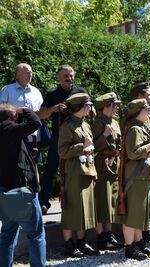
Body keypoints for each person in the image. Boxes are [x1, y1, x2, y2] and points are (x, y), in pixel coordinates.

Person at [0, 105, 46, 267]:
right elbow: (36, 123)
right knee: (36, 236)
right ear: (12, 118)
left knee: (7, 237)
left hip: (4, 194)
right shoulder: (10, 130)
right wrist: (25, 110)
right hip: (22, 194)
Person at [38, 65, 87, 214]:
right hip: (58, 137)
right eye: (65, 76)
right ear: (59, 78)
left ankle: (79, 200)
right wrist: (53, 109)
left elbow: (91, 112)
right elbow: (41, 115)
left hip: (78, 136)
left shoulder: (81, 92)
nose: (69, 78)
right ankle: (44, 202)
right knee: (50, 170)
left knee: (80, 168)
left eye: (71, 75)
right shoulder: (52, 94)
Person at [58, 93, 100, 257]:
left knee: (84, 210)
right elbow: (62, 151)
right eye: (87, 105)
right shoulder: (67, 126)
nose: (90, 107)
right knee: (71, 209)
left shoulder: (85, 125)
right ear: (79, 107)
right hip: (74, 173)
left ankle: (82, 243)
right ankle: (69, 245)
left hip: (87, 170)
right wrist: (81, 145)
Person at [120, 98, 150, 260]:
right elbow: (133, 153)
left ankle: (138, 242)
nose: (149, 112)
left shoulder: (141, 128)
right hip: (135, 176)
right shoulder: (135, 130)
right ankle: (129, 247)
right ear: (138, 112)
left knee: (139, 212)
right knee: (132, 213)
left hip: (142, 175)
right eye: (146, 110)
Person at [91, 92, 124, 250]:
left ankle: (109, 233)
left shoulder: (115, 122)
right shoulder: (98, 123)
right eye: (114, 104)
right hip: (102, 165)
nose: (117, 107)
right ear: (106, 106)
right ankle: (100, 237)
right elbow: (93, 147)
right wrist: (104, 135)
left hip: (113, 164)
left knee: (111, 201)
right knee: (101, 201)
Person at [0, 63, 43, 160]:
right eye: (27, 73)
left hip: (33, 138)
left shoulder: (36, 92)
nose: (30, 75)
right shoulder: (7, 90)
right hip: (13, 137)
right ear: (18, 75)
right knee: (14, 167)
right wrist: (15, 111)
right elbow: (1, 110)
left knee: (33, 167)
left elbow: (41, 112)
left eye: (31, 73)